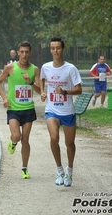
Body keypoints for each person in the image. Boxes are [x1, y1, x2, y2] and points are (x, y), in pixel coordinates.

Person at [40, 37, 82, 187]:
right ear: (50, 50)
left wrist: (65, 92)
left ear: (63, 49)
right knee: (54, 137)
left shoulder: (70, 68)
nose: (55, 51)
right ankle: (59, 170)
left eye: (58, 48)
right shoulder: (45, 67)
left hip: (68, 111)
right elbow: (42, 79)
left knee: (69, 143)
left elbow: (79, 89)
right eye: (53, 48)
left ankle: (69, 170)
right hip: (52, 110)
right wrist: (42, 92)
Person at [0, 41, 41, 179]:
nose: (24, 54)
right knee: (17, 136)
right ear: (18, 52)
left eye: (27, 52)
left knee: (25, 139)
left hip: (28, 108)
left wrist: (30, 82)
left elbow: (40, 90)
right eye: (22, 52)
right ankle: (13, 141)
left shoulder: (34, 69)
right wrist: (4, 97)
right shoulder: (10, 68)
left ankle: (24, 168)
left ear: (30, 53)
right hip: (13, 109)